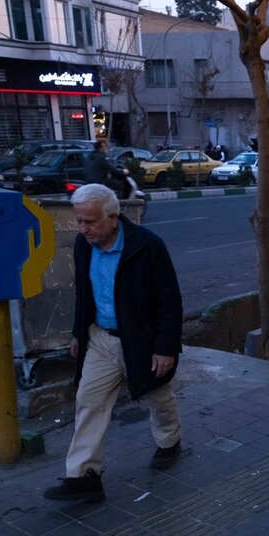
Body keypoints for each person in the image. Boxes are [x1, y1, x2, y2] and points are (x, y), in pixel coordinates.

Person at [44, 183, 183, 502]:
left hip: (142, 342)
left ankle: (169, 441)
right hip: (100, 338)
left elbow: (169, 299)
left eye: (90, 221)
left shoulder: (147, 246)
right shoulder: (83, 245)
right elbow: (84, 293)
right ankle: (83, 475)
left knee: (158, 397)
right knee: (88, 400)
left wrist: (165, 347)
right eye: (79, 221)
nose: (83, 228)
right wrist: (79, 333)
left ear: (113, 216)